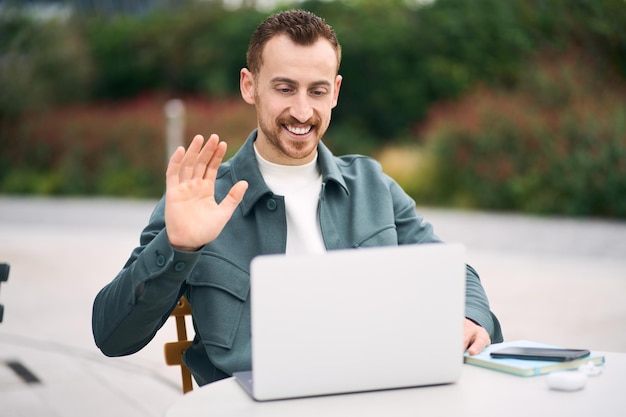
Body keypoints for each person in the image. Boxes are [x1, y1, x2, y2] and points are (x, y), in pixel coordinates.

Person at [92, 9, 503, 386]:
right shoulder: (201, 199)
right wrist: (177, 247)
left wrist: (469, 316)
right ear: (249, 86)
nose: (303, 111)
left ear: (336, 92)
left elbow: (452, 271)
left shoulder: (372, 184)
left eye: (317, 91)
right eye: (285, 89)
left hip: (373, 397)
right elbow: (112, 336)